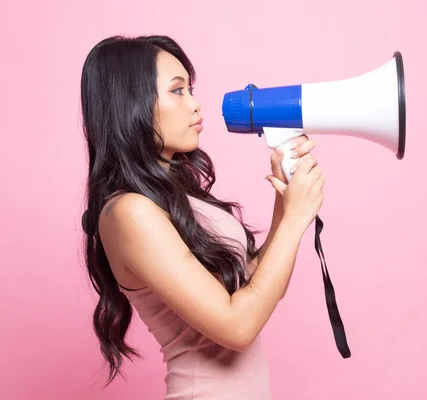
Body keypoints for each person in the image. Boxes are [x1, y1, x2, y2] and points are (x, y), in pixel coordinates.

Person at [80, 34, 325, 399]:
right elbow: (238, 326)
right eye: (178, 91)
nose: (196, 105)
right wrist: (294, 220)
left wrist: (286, 204)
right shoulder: (128, 212)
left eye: (190, 89)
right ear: (130, 103)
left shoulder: (176, 197)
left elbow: (257, 289)